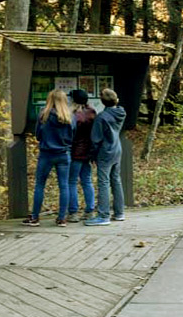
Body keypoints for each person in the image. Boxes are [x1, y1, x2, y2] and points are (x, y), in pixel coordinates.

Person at [23, 89, 74, 227]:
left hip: (46, 154)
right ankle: (62, 218)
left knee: (40, 185)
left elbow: (38, 135)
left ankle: (35, 217)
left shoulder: (43, 115)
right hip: (63, 154)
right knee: (64, 186)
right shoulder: (69, 117)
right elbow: (71, 137)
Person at [84, 88, 126, 226]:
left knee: (103, 182)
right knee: (116, 180)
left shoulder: (101, 117)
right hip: (116, 149)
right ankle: (119, 213)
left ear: (102, 101)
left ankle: (103, 215)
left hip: (105, 152)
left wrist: (92, 155)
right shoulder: (121, 113)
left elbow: (95, 139)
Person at [67, 89, 97, 222]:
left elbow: (70, 134)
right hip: (87, 152)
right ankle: (90, 210)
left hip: (75, 152)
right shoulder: (92, 112)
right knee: (87, 181)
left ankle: (73, 212)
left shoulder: (72, 114)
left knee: (72, 182)